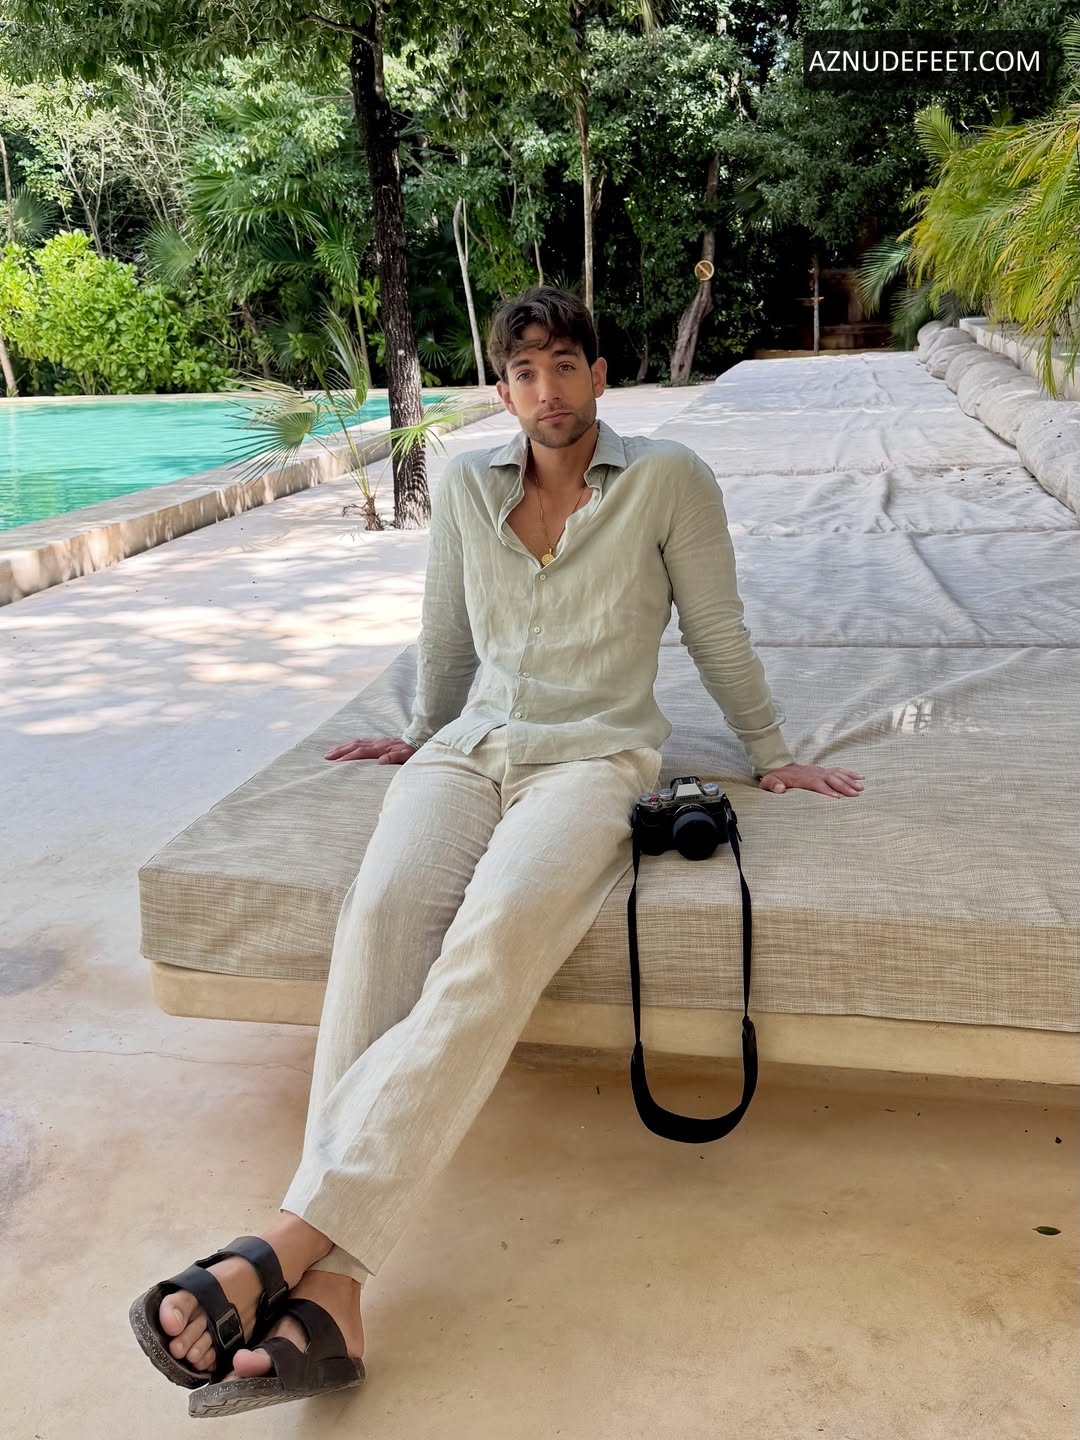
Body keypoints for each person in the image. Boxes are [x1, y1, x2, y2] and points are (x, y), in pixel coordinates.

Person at [130, 285, 864, 1416]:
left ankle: (285, 1244)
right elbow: (447, 634)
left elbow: (717, 629)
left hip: (594, 759)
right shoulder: (471, 487)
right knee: (378, 918)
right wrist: (422, 732)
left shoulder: (669, 478)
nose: (546, 390)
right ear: (502, 388)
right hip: (470, 749)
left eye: (565, 365)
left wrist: (770, 754)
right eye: (523, 372)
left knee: (494, 941)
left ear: (600, 376)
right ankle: (334, 1299)